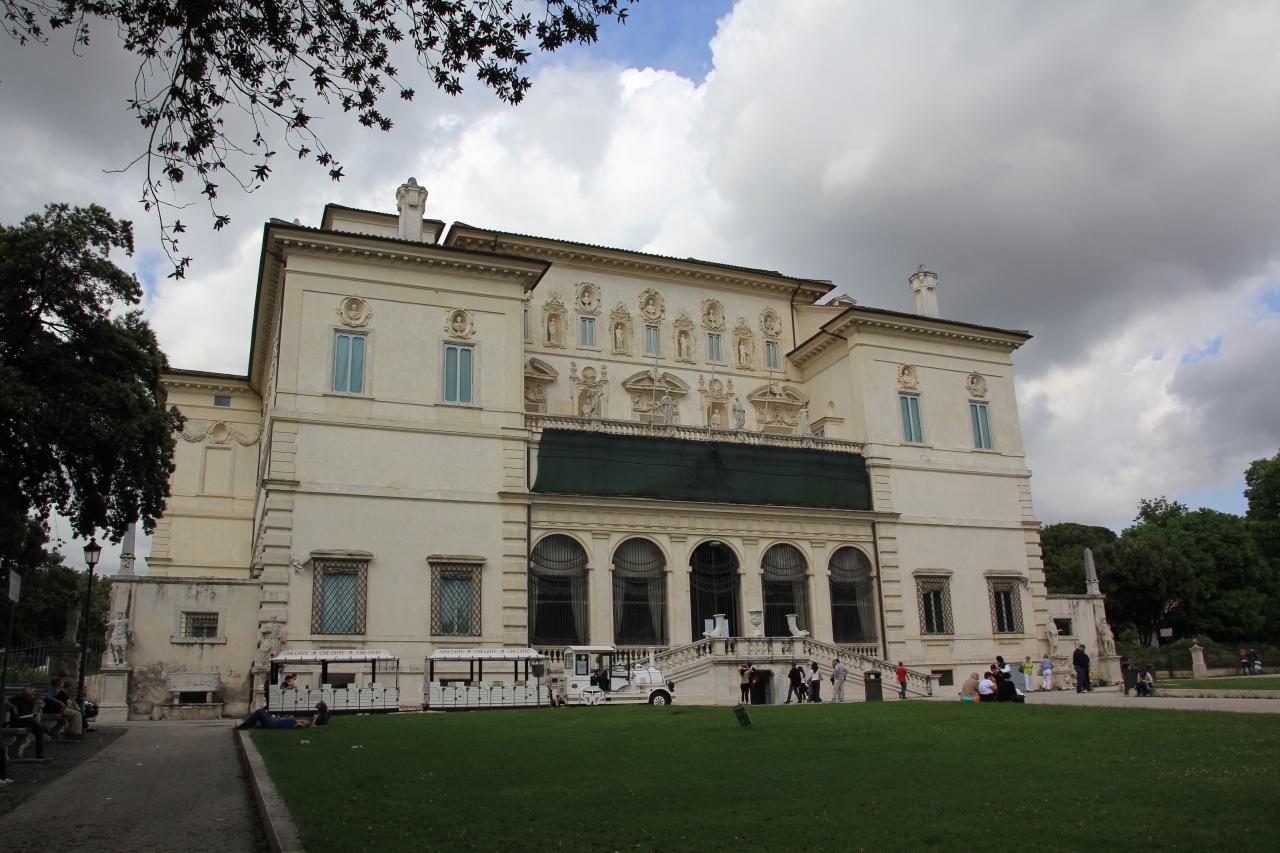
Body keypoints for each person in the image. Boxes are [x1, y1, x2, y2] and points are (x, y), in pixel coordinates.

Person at [6, 687, 46, 759]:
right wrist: (14, 707)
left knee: (39, 732)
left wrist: (34, 712)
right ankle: (47, 729)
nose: (30, 697)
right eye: (28, 696)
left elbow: (34, 708)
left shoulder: (31, 699)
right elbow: (5, 700)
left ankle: (39, 755)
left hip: (29, 721)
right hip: (18, 721)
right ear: (23, 694)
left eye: (31, 695)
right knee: (37, 725)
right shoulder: (15, 699)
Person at [238, 701, 331, 730]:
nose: (306, 720)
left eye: (306, 721)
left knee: (260, 711)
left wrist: (313, 721)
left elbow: (303, 725)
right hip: (274, 722)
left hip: (273, 725)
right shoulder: (297, 721)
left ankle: (246, 725)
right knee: (262, 711)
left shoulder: (299, 725)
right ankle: (249, 723)